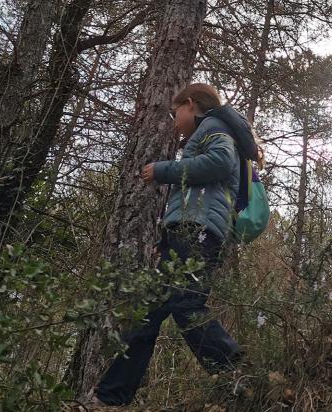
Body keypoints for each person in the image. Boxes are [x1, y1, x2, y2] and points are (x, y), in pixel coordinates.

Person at [91, 84, 243, 406]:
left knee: (187, 305)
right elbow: (190, 195)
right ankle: (110, 396)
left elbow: (220, 162)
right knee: (149, 314)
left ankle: (237, 370)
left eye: (176, 113)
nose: (175, 122)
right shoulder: (202, 134)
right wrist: (165, 238)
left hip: (199, 230)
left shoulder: (214, 127)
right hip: (185, 230)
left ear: (191, 104)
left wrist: (163, 170)